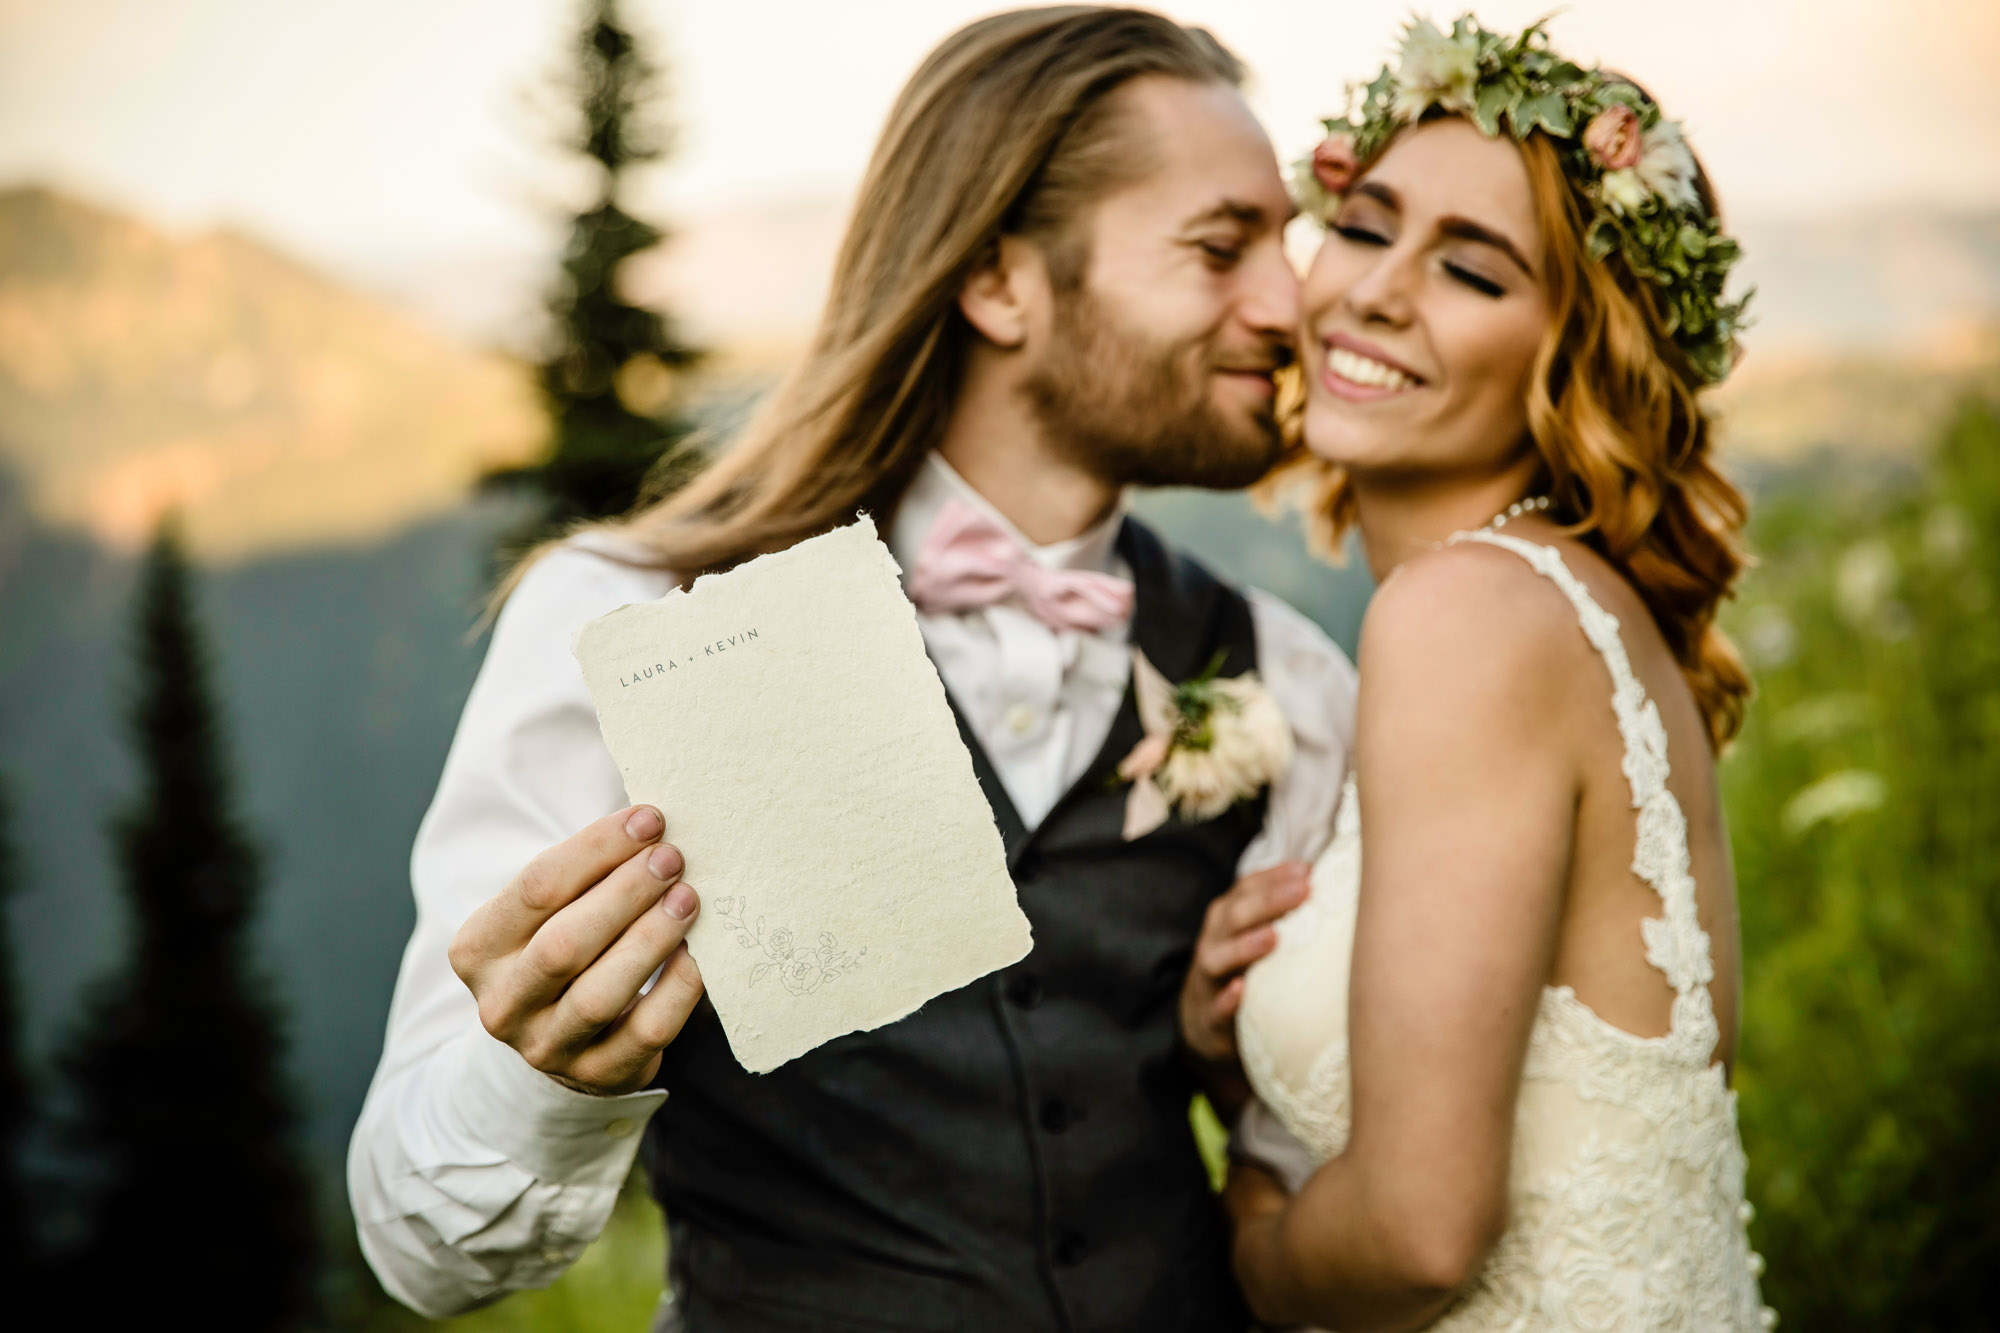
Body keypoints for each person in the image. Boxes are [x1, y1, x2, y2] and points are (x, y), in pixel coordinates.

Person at [348, 8, 1356, 1330]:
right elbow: (419, 1249)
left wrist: (1246, 1061)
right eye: (1223, 246)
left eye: (1284, 244)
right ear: (1001, 282)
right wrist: (545, 1079)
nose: (1292, 302)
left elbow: (1303, 1178)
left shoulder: (1290, 675)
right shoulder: (642, 622)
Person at [1175, 14, 1779, 1332]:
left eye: (1472, 270)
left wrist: (1252, 1246)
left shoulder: (1467, 615)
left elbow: (1416, 1234)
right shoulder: (1565, 611)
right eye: (1367, 223)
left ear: (1579, 357)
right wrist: (1245, 1043)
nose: (1377, 290)